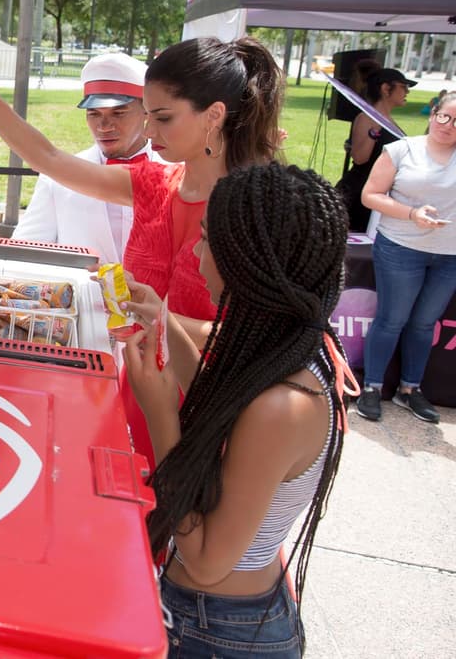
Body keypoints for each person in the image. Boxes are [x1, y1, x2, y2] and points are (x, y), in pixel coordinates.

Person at [0, 35, 284, 467]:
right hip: (138, 388)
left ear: (214, 115)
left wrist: (159, 319)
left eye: (162, 117)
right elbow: (48, 157)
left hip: (212, 401)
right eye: (149, 116)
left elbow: (266, 334)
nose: (149, 131)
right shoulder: (153, 184)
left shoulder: (257, 207)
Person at [122, 163, 352, 658]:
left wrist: (161, 416)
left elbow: (206, 562)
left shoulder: (283, 407)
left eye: (207, 242)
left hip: (217, 628)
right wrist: (161, 318)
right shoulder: (292, 344)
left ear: (251, 266)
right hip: (216, 614)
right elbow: (219, 392)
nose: (195, 254)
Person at [355, 90, 456, 424]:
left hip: (450, 256)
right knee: (391, 320)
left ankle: (410, 388)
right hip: (400, 247)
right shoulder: (402, 149)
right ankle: (372, 387)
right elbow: (370, 195)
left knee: (425, 323)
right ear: (433, 113)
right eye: (444, 116)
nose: (448, 125)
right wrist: (412, 214)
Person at [13, 52, 165, 263]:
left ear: (146, 111)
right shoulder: (57, 179)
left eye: (118, 113)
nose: (104, 126)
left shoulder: (179, 175)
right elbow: (25, 250)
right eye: (94, 114)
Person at [335, 66, 412, 231]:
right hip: (360, 192)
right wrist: (374, 131)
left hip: (379, 192)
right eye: (403, 86)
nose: (407, 91)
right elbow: (359, 157)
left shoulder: (389, 120)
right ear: (386, 88)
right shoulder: (366, 118)